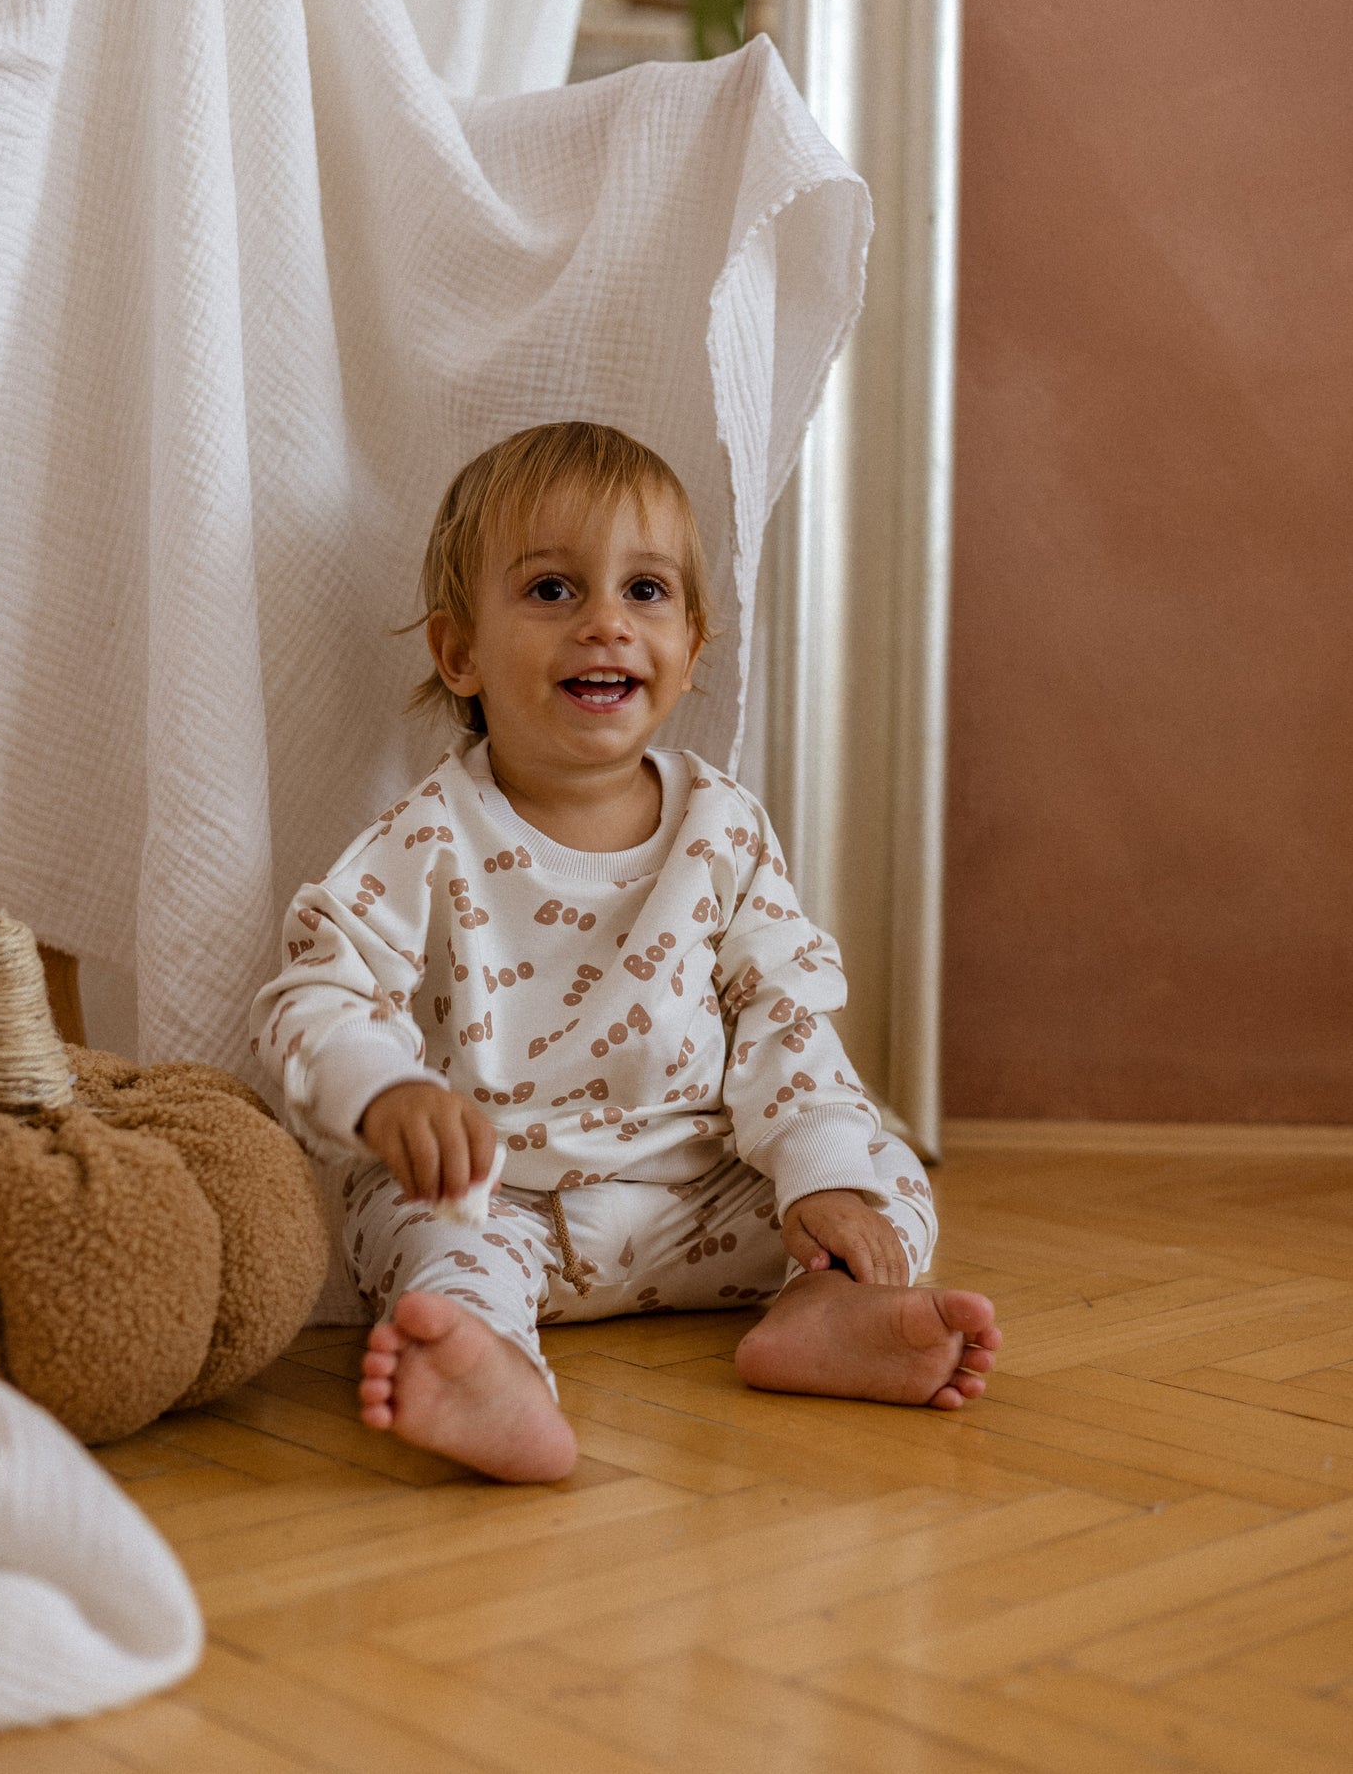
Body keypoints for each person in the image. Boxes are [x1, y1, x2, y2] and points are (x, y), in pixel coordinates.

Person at [251, 422, 999, 1482]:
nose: (604, 621)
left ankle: (824, 1310)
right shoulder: (424, 836)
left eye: (643, 591)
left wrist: (816, 1178)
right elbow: (309, 999)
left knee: (876, 1168)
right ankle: (491, 1369)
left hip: (697, 1202)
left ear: (690, 648)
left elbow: (781, 1013)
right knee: (413, 1231)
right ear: (457, 648)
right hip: (494, 1200)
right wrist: (386, 1094)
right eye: (552, 590)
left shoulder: (722, 828)